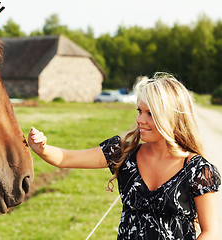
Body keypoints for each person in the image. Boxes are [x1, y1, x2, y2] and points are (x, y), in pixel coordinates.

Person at [28, 72, 221, 240]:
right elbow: (67, 158)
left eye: (150, 114)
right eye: (139, 111)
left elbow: (211, 232)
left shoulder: (198, 170)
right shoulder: (123, 153)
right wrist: (42, 148)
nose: (139, 120)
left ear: (170, 116)